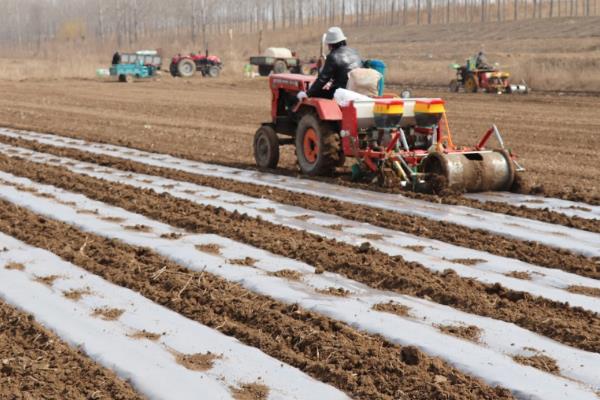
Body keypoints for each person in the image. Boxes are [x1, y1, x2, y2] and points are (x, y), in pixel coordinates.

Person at [297, 27, 362, 100]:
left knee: (314, 94)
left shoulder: (333, 56)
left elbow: (323, 79)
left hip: (341, 91)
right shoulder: (354, 51)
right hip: (357, 89)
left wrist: (307, 93)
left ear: (330, 44)